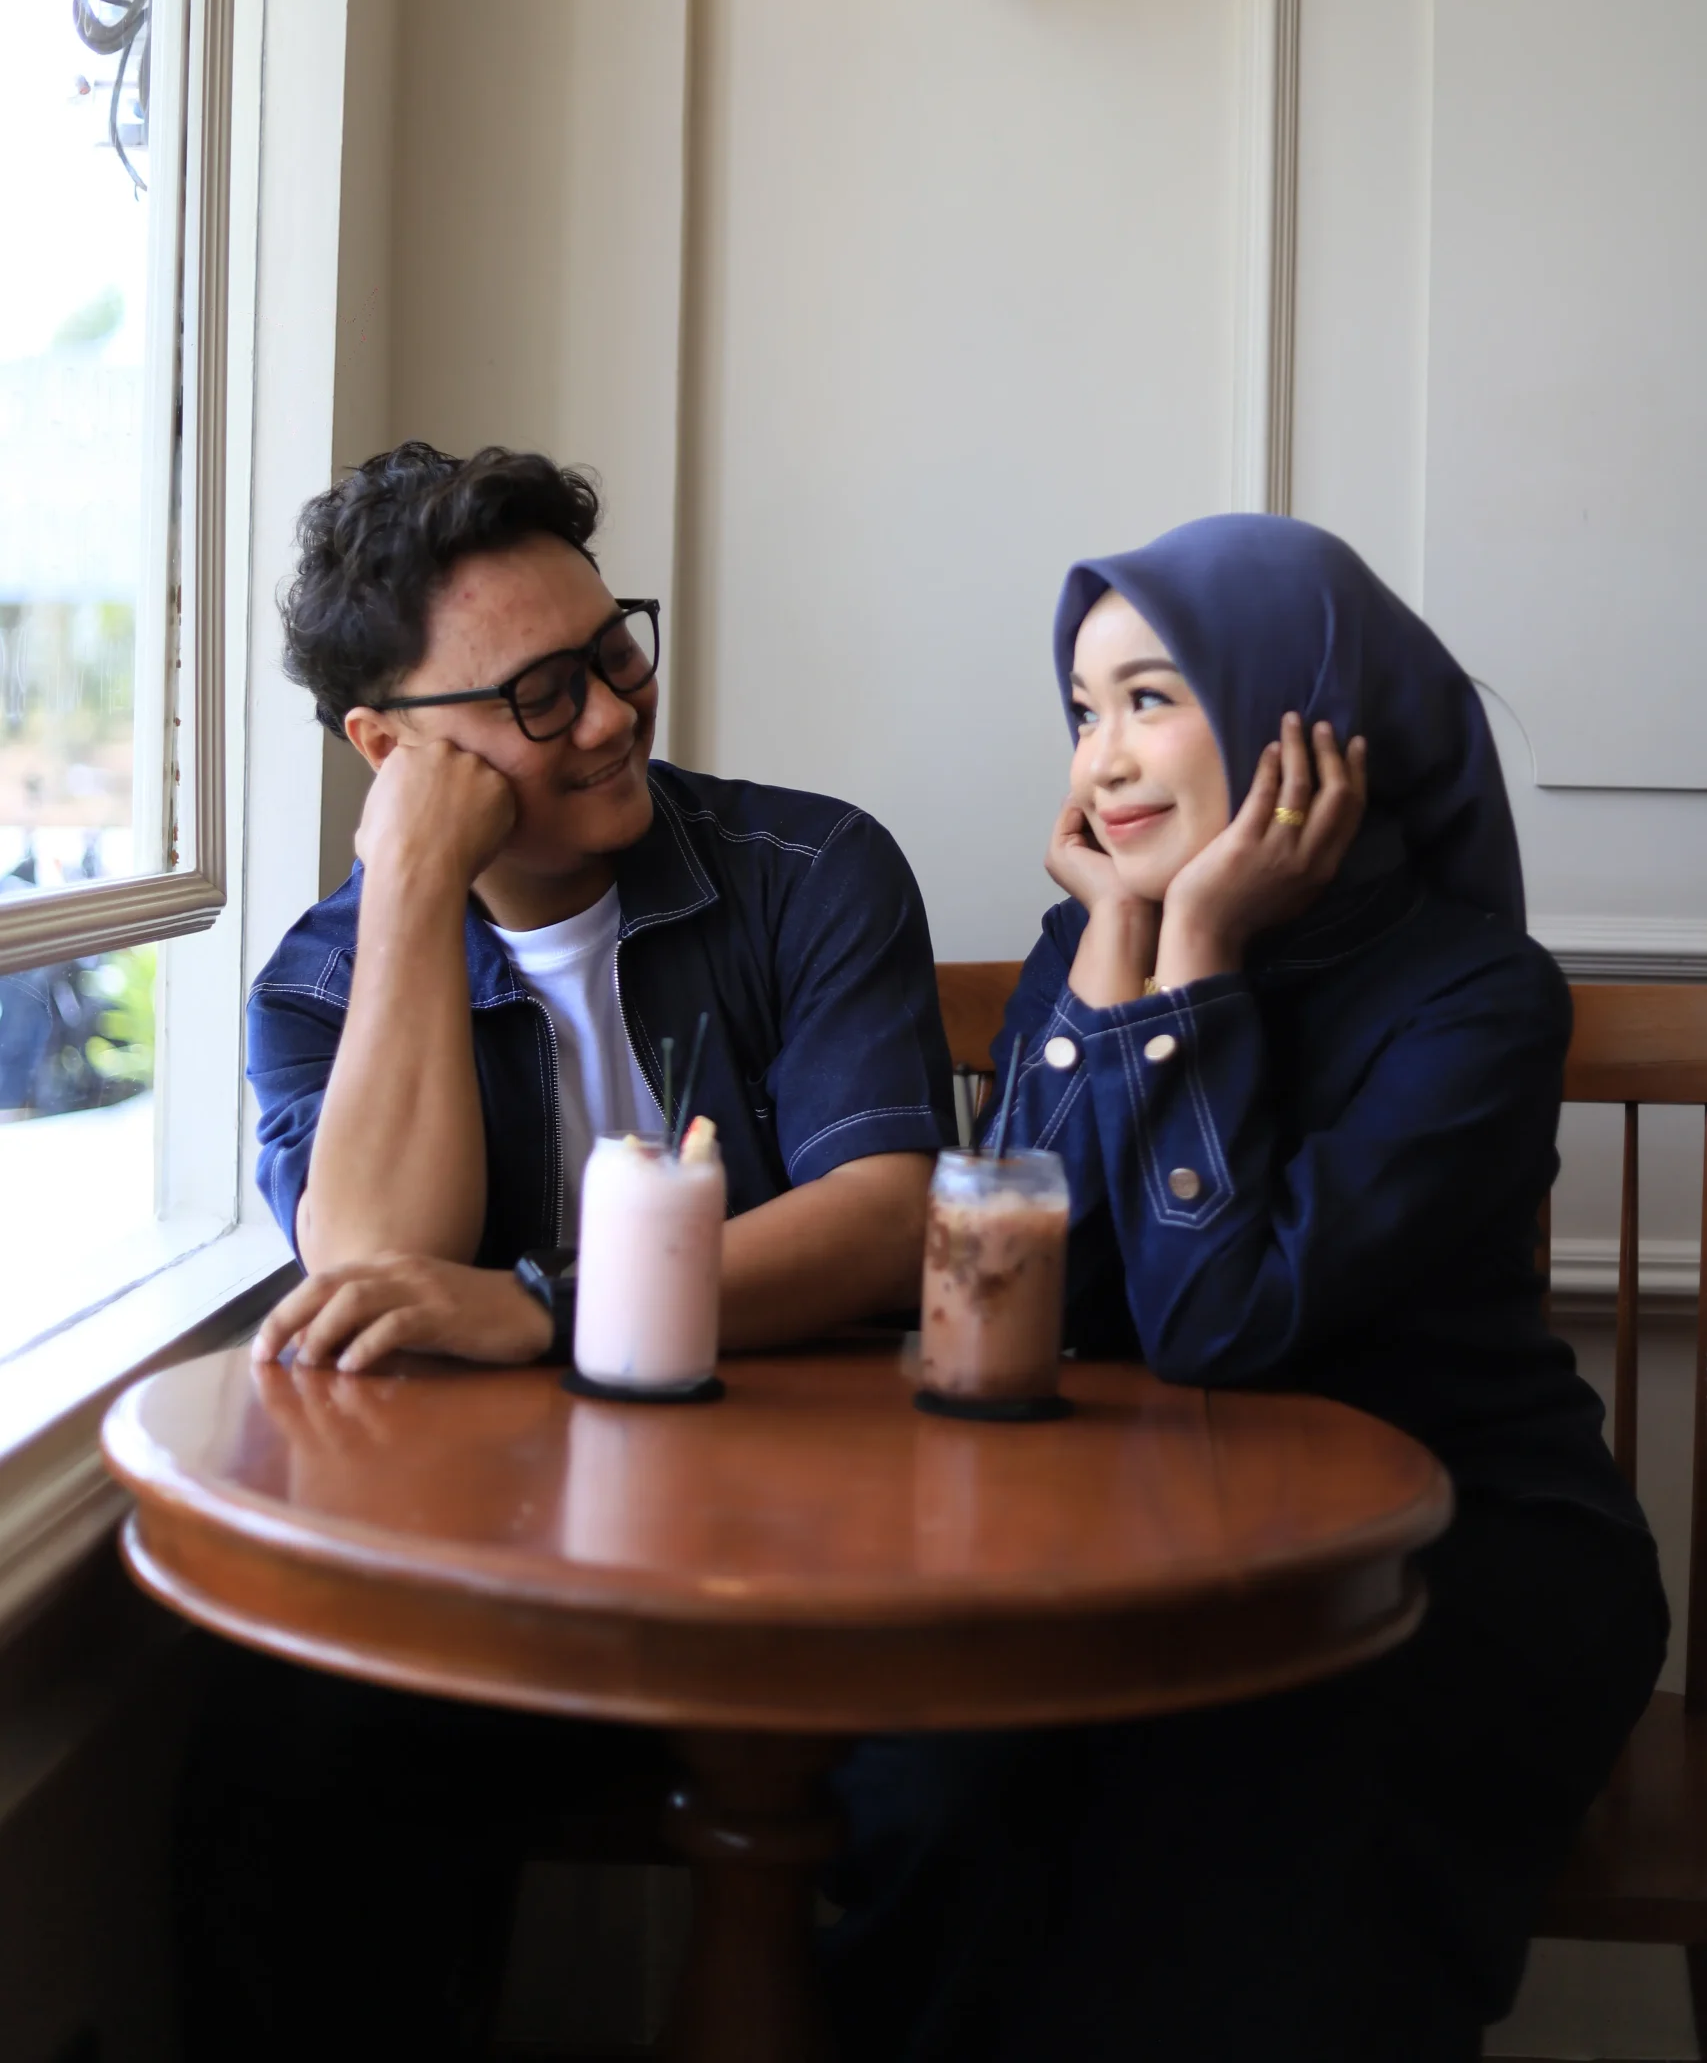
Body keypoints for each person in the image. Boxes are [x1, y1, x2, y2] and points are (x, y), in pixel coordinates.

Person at [823, 513, 1668, 2063]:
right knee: (928, 1785)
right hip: (1139, 1536)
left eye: (1150, 698)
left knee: (1238, 1830)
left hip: (1448, 1544)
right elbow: (1024, 1299)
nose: (1099, 759)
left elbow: (1220, 1325)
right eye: (1082, 710)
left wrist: (1195, 952)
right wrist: (1111, 951)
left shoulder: (1475, 997)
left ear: (1308, 716)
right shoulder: (1083, 947)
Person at [178, 440, 955, 2062]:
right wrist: (410, 886)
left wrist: (542, 1309)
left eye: (613, 651)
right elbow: (373, 1267)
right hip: (500, 1597)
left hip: (822, 1569)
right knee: (282, 1742)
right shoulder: (316, 989)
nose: (608, 714)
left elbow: (885, 1221)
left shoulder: (810, 874)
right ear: (388, 747)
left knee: (980, 1799)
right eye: (538, 693)